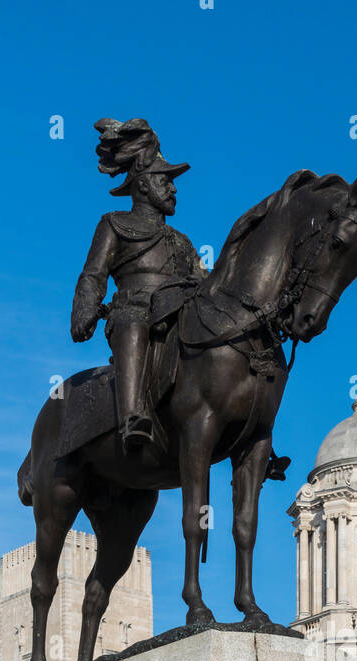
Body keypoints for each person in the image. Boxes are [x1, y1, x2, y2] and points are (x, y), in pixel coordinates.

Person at [70, 118, 208, 452]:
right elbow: (93, 273)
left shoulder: (183, 242)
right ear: (144, 185)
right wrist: (85, 309)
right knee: (133, 324)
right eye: (166, 182)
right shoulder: (114, 224)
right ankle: (132, 416)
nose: (174, 189)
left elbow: (205, 284)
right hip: (133, 311)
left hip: (177, 315)